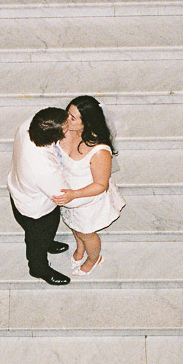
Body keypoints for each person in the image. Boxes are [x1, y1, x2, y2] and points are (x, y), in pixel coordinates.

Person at [55, 95, 126, 276]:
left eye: (73, 118)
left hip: (86, 198)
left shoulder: (99, 150)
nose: (66, 120)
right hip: (69, 194)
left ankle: (93, 258)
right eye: (67, 114)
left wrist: (74, 194)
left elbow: (100, 184)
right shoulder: (67, 130)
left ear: (86, 122)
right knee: (73, 224)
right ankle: (79, 247)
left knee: (87, 232)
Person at [7, 107, 74, 285]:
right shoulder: (42, 168)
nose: (70, 127)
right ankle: (38, 268)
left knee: (47, 231)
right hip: (36, 211)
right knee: (37, 239)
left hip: (21, 189)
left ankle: (49, 242)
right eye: (66, 128)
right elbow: (62, 194)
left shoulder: (29, 124)